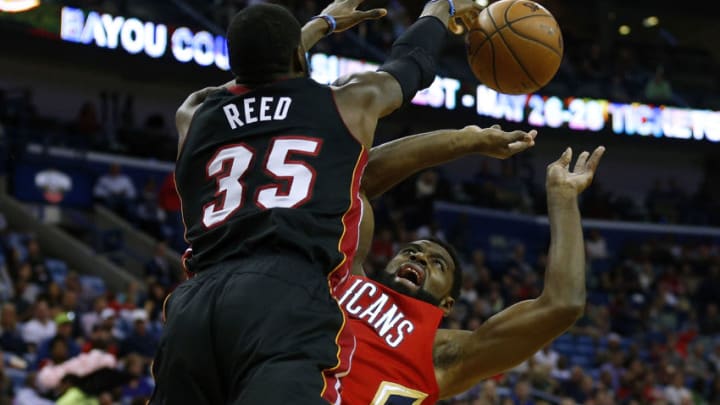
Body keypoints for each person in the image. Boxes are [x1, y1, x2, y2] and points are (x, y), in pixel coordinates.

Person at [150, 0, 482, 403]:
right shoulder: (346, 101)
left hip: (194, 306)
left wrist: (317, 26)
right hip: (283, 294)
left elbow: (234, 86)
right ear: (295, 54)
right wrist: (440, 8)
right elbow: (414, 64)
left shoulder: (194, 114)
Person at [334, 144, 605, 403]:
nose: (419, 257)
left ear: (447, 304)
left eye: (438, 264)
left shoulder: (440, 352)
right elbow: (358, 182)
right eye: (409, 251)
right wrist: (466, 140)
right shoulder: (344, 280)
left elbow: (563, 305)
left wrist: (563, 198)